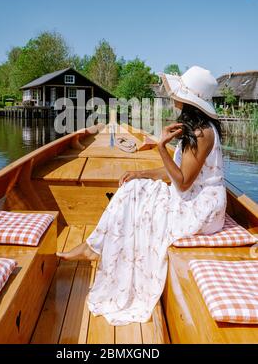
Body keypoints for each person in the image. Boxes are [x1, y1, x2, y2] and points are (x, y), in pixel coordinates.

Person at [57, 66, 227, 326]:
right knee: (133, 188)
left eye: (178, 93)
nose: (173, 98)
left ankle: (93, 248)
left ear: (189, 101)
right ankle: (94, 246)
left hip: (201, 210)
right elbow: (178, 175)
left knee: (135, 198)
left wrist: (160, 147)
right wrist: (140, 173)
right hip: (193, 196)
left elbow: (181, 184)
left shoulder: (201, 133)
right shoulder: (195, 128)